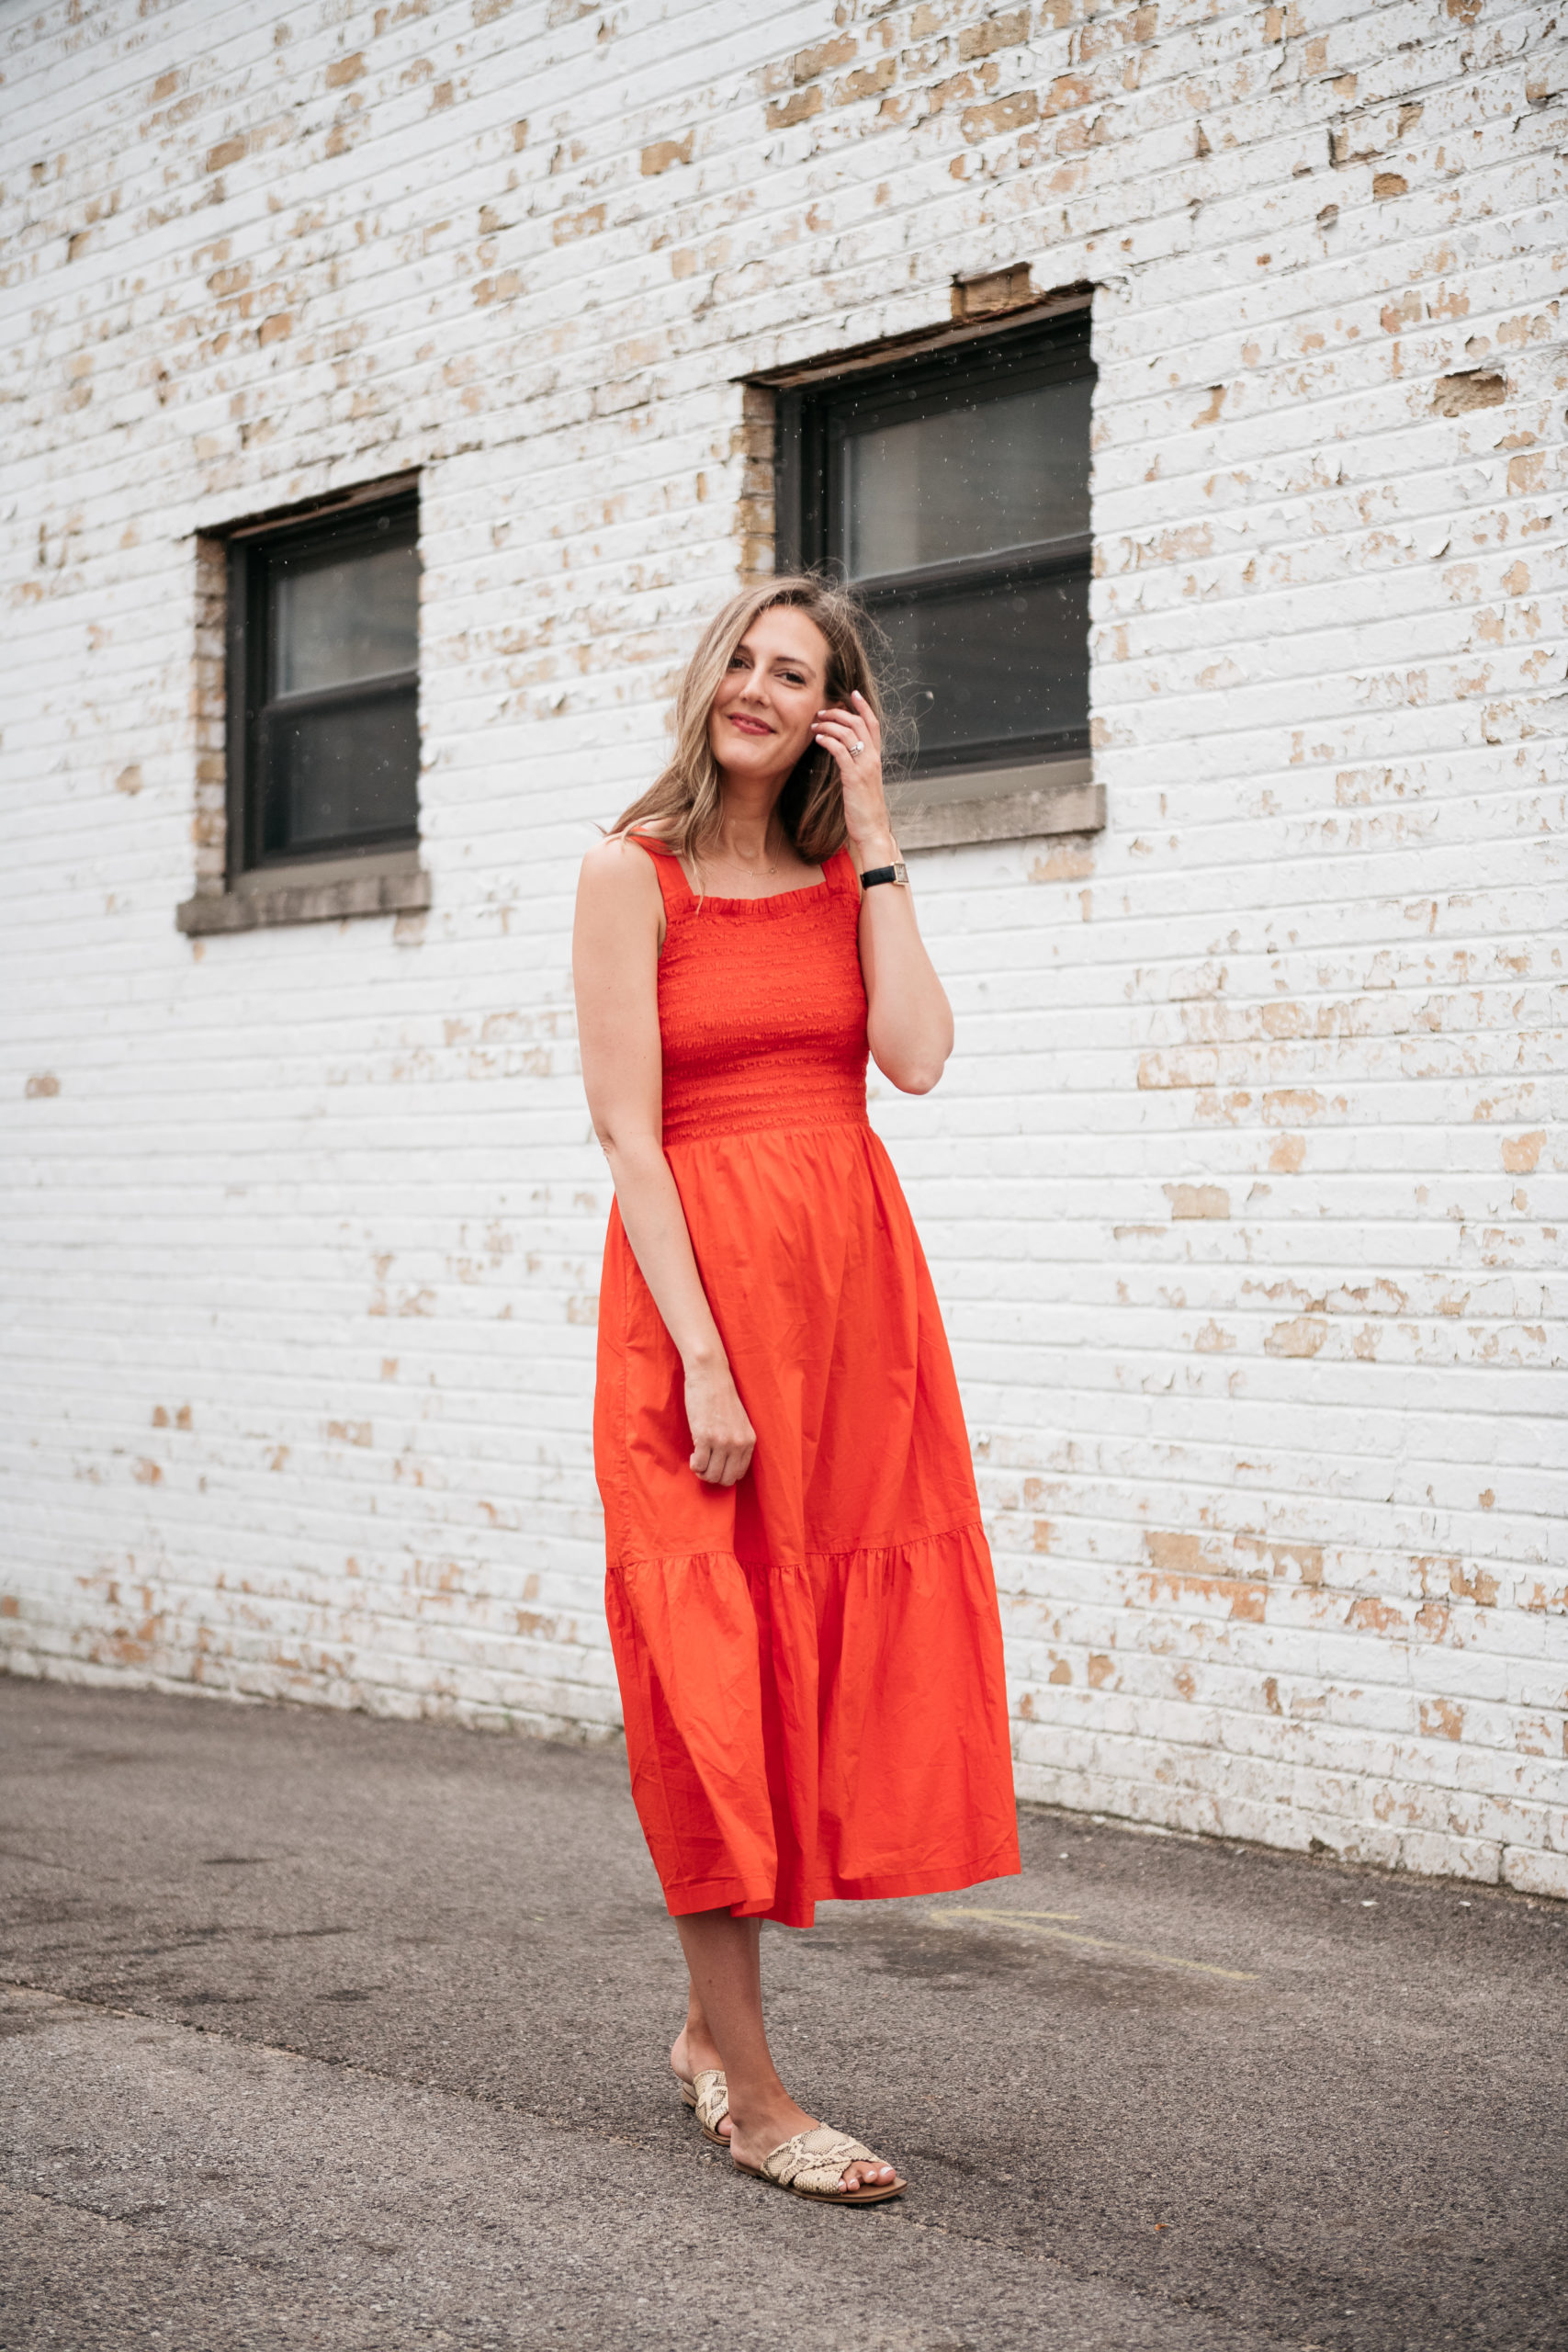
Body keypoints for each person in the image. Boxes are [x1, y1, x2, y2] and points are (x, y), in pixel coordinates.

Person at [572, 575, 1020, 2207]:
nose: (760, 691)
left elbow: (915, 1057)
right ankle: (755, 2093)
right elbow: (630, 1134)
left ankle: (704, 2037)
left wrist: (883, 825)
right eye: (744, 663)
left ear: (833, 707)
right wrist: (700, 1353)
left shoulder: (843, 869)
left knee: (793, 1664)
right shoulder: (631, 872)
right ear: (708, 679)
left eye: (798, 674)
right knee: (705, 1670)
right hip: (697, 1312)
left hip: (848, 1312)